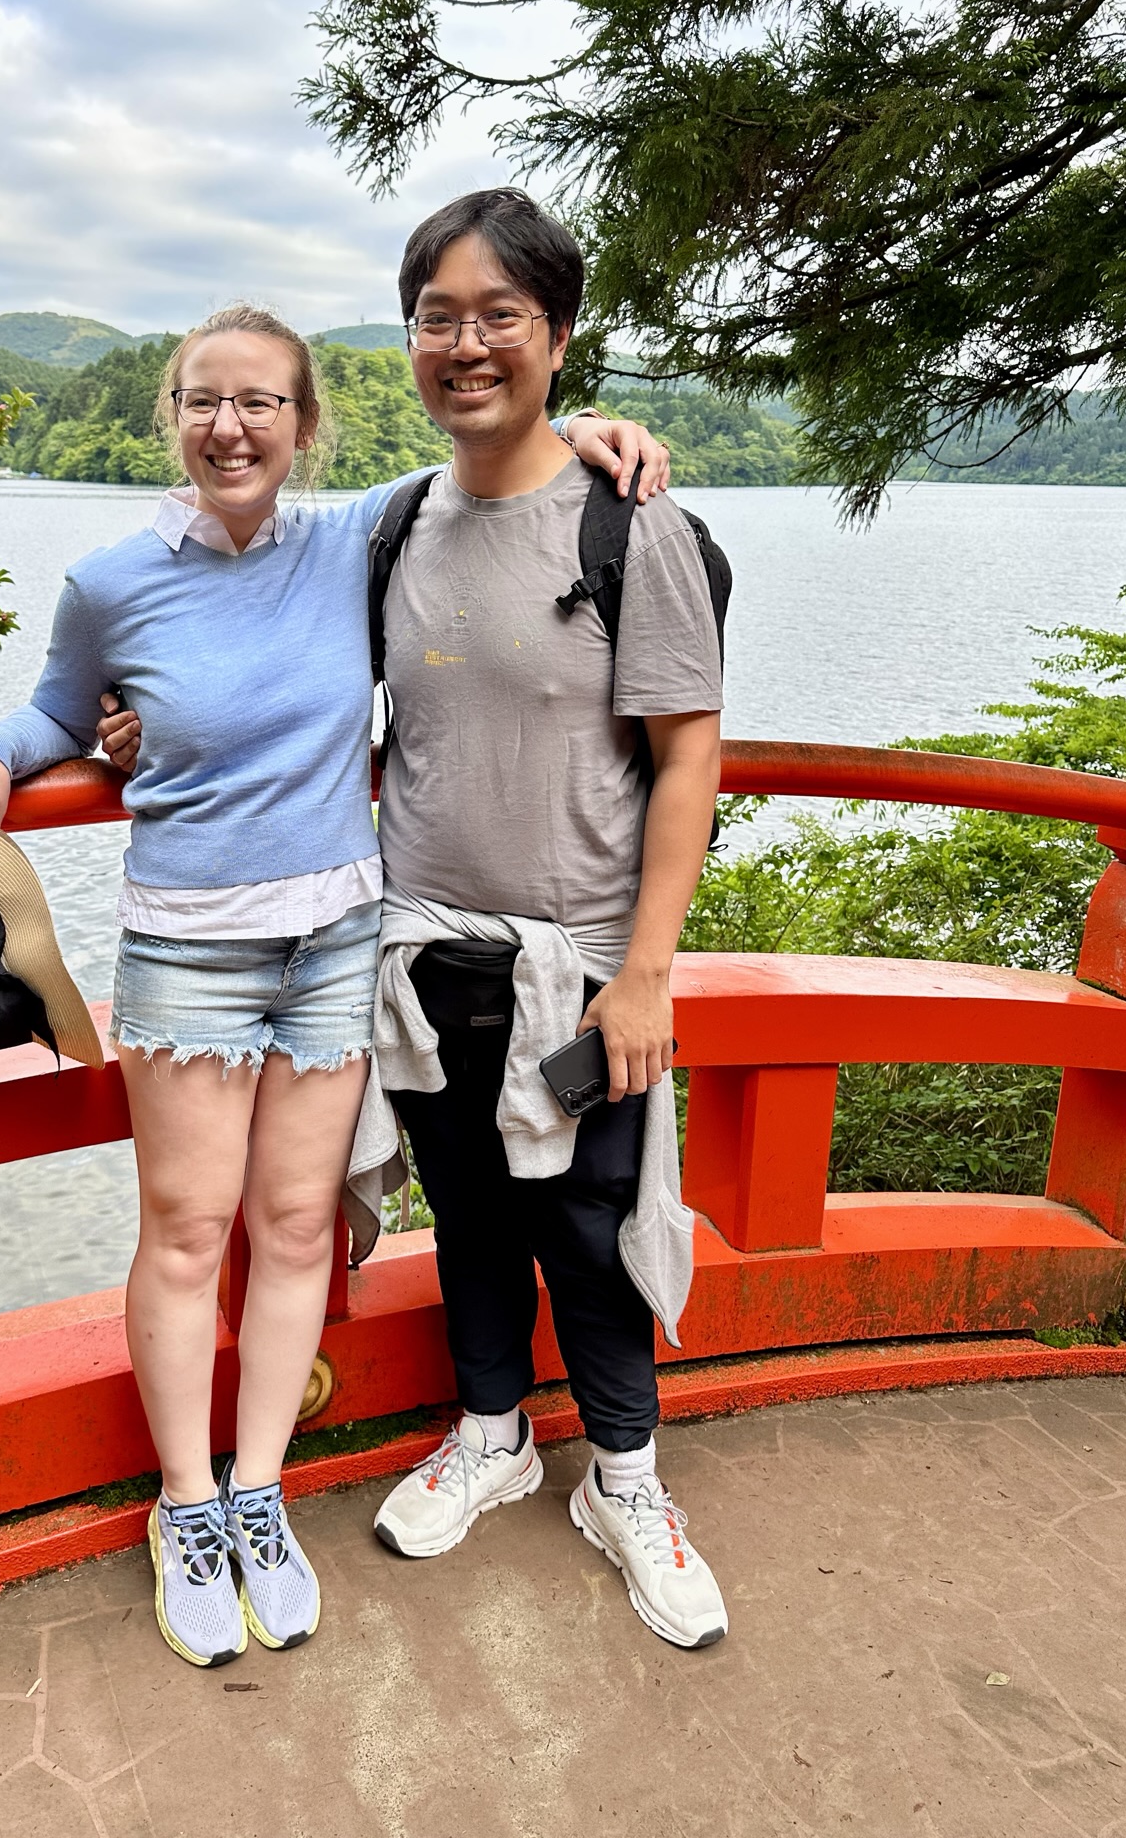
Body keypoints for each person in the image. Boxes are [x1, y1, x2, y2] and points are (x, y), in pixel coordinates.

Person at [0, 302, 661, 1670]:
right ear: (174, 418)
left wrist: (600, 432)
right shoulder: (110, 579)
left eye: (262, 402)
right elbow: (53, 708)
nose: (231, 427)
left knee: (289, 1225)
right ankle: (187, 1503)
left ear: (304, 423)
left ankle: (258, 1486)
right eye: (205, 401)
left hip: (334, 943)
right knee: (189, 1228)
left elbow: (497, 468)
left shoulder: (355, 542)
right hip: (190, 947)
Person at [360, 188, 730, 1649]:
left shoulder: (632, 525)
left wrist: (647, 977)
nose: (465, 344)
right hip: (425, 952)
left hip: (578, 971)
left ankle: (626, 1482)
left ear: (558, 337)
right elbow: (276, 672)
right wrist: (124, 730)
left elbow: (690, 755)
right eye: (437, 317)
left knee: (587, 1227)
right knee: (466, 1220)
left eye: (498, 314)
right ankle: (495, 1436)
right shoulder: (393, 526)